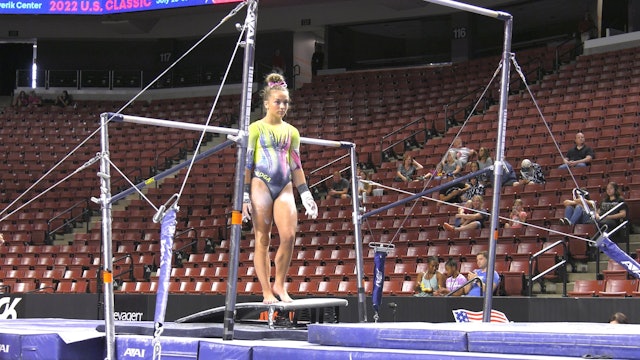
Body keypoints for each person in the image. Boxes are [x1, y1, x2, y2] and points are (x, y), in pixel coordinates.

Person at [242, 73, 318, 304]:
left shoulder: (292, 132)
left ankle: (279, 284)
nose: (283, 106)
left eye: (286, 102)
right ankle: (266, 291)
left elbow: (296, 165)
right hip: (260, 183)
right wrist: (245, 196)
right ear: (266, 103)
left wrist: (305, 193)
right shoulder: (255, 128)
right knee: (262, 238)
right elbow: (248, 164)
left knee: (288, 235)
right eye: (278, 101)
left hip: (284, 185)